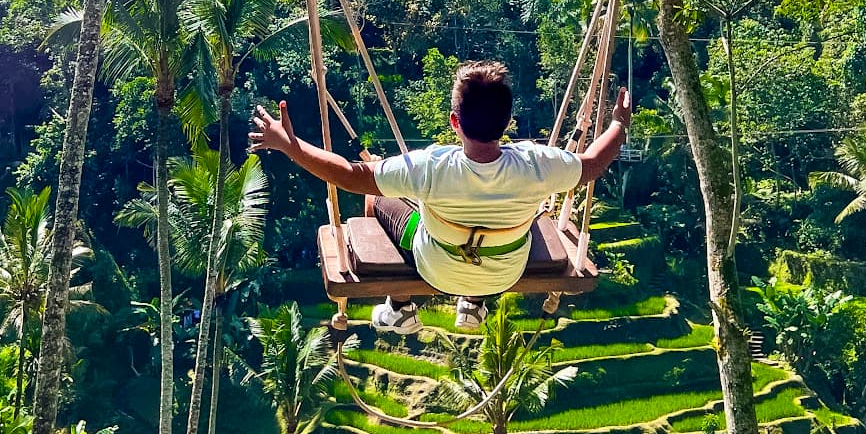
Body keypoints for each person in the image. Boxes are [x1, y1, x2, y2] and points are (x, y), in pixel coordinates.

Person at [248, 59, 632, 336]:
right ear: (508, 121)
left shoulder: (431, 167)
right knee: (511, 221)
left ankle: (400, 307)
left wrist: (291, 147)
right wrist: (618, 123)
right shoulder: (538, 164)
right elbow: (593, 163)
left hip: (436, 266)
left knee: (375, 200)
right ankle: (475, 302)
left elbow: (350, 176)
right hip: (505, 270)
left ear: (454, 121)